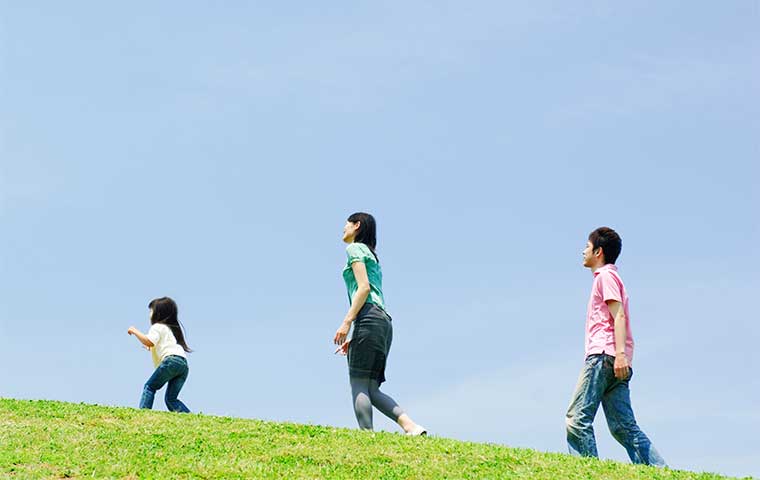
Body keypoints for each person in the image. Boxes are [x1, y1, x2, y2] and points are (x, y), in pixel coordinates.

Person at [565, 227, 666, 466]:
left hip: (603, 356)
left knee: (577, 419)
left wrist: (619, 354)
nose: (583, 251)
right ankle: (659, 472)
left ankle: (588, 471)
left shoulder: (606, 277)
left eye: (587, 247)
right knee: (623, 427)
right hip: (615, 360)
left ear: (598, 252)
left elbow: (618, 315)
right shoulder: (611, 277)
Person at [333, 212, 426, 435]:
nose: (343, 229)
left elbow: (363, 288)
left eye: (346, 225)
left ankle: (367, 436)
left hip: (368, 317)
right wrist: (358, 333)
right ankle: (411, 426)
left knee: (359, 383)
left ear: (356, 226)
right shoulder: (373, 256)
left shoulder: (354, 249)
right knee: (371, 388)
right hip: (382, 322)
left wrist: (347, 323)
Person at [128, 297, 192, 413]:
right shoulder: (170, 329)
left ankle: (143, 414)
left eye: (151, 311)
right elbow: (159, 344)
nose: (149, 314)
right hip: (183, 365)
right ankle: (190, 418)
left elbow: (149, 340)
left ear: (157, 313)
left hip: (170, 361)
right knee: (171, 399)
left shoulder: (157, 327)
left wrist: (134, 330)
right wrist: (150, 347)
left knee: (150, 387)